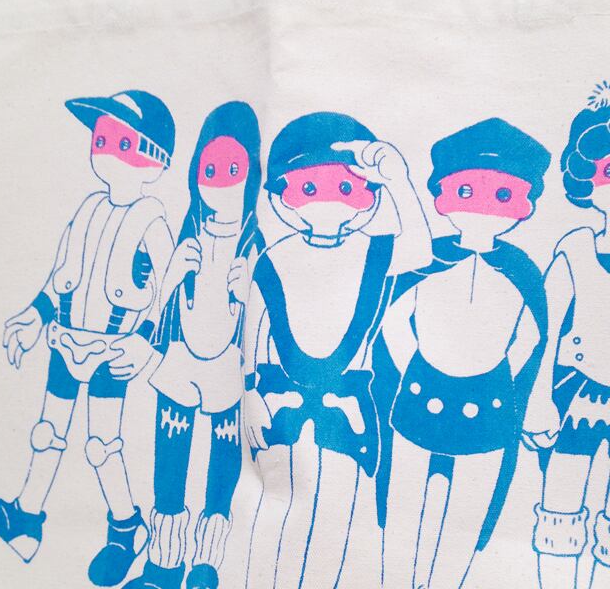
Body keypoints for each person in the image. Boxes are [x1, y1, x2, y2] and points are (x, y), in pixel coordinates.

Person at [0, 90, 175, 587]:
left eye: (123, 143)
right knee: (47, 431)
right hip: (65, 341)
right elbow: (61, 274)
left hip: (113, 350)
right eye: (101, 140)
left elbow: (170, 291)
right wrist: (34, 315)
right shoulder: (87, 209)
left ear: (155, 160)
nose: (106, 152)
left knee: (102, 445)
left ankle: (126, 528)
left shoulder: (152, 221)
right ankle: (26, 518)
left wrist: (147, 341)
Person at [243, 112, 431, 588]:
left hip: (349, 412)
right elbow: (255, 329)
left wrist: (398, 179)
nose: (328, 202)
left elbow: (421, 251)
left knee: (337, 520)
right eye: (308, 188)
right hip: (277, 405)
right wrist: (248, 393)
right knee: (273, 518)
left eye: (346, 188)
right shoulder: (273, 258)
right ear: (281, 193)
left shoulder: (375, 251)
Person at [378, 117, 550, 589]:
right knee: (404, 504)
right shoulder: (426, 258)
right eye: (466, 192)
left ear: (524, 205)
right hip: (420, 394)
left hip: (489, 405)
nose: (483, 208)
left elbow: (531, 337)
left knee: (467, 516)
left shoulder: (520, 270)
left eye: (502, 195)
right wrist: (414, 365)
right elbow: (393, 320)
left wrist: (499, 376)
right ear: (442, 197)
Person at [124, 101, 264, 589]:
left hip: (228, 369)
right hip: (180, 364)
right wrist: (166, 290)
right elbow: (159, 305)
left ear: (252, 176)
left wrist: (249, 287)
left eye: (232, 171)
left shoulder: (253, 247)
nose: (220, 183)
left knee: (222, 464)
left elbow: (266, 317)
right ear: (194, 176)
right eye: (210, 171)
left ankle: (206, 561)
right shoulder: (188, 239)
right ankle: (163, 564)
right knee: (170, 460)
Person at [527, 85, 610, 589]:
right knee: (560, 503)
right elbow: (545, 330)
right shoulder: (575, 250)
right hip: (577, 395)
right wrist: (537, 402)